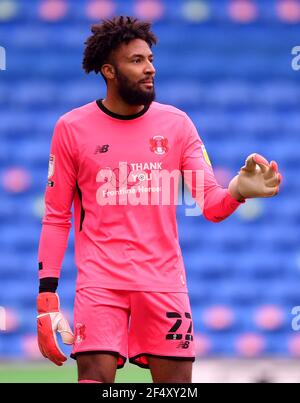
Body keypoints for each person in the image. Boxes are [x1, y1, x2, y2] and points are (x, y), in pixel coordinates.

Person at [36, 16, 282, 383]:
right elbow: (57, 217)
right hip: (100, 283)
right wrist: (46, 300)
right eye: (136, 60)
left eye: (150, 59)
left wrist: (237, 191)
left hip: (163, 282)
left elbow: (211, 205)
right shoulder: (71, 128)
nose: (149, 68)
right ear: (109, 70)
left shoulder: (177, 125)